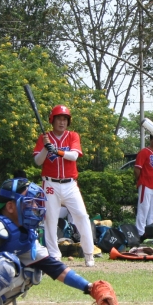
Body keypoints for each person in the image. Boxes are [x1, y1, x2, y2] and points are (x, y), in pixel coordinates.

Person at [33, 105, 96, 266]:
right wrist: (46, 149)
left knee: (82, 216)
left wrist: (57, 151)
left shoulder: (72, 136)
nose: (62, 122)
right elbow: (37, 161)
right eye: (59, 119)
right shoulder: (44, 138)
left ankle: (89, 253)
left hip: (70, 184)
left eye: (65, 119)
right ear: (52, 120)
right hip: (50, 184)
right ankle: (54, 255)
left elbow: (74, 156)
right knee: (50, 219)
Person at [134, 135, 153, 238]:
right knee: (143, 209)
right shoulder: (144, 152)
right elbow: (137, 169)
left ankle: (151, 232)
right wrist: (140, 180)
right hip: (146, 184)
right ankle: (140, 232)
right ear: (150, 140)